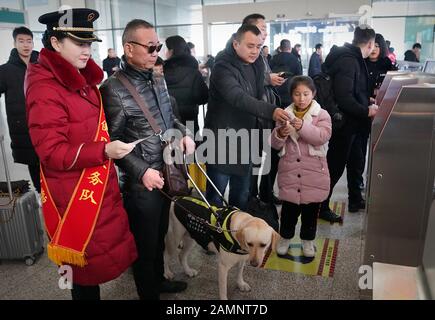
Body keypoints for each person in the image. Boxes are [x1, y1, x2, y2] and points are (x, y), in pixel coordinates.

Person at [25, 8, 137, 300]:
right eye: (78, 42)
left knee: (89, 272)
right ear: (55, 43)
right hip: (72, 197)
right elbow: (50, 151)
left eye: (89, 43)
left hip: (93, 186)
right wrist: (104, 149)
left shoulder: (81, 80)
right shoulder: (45, 88)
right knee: (79, 273)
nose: (87, 50)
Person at [99, 19, 195, 300]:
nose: (156, 51)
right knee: (143, 244)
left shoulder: (156, 77)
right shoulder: (113, 89)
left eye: (158, 46)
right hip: (141, 184)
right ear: (128, 48)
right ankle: (148, 292)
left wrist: (184, 133)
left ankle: (158, 280)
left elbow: (169, 116)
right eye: (150, 46)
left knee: (160, 235)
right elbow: (113, 145)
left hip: (165, 171)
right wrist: (141, 172)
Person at [204, 24, 290, 211]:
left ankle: (237, 234)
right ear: (236, 44)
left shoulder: (258, 64)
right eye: (250, 46)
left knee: (241, 194)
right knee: (216, 197)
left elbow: (258, 94)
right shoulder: (222, 67)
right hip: (221, 140)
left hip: (246, 138)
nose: (255, 51)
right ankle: (213, 237)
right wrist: (272, 111)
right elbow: (238, 97)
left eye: (258, 47)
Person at [319, 26, 377, 221]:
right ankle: (321, 206)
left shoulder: (350, 58)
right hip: (343, 125)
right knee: (334, 167)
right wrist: (365, 110)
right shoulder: (349, 61)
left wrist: (365, 100)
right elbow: (344, 97)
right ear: (370, 44)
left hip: (351, 124)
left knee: (355, 162)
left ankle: (353, 199)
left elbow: (352, 91)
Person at [271, 76, 332, 257]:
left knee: (310, 214)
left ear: (313, 94)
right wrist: (280, 133)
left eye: (306, 94)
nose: (302, 98)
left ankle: (308, 241)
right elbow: (275, 144)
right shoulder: (284, 114)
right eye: (297, 94)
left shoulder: (322, 115)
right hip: (289, 173)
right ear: (291, 95)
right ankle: (285, 238)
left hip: (313, 174)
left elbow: (321, 136)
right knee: (288, 212)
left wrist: (302, 126)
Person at [346, 33, 398, 206]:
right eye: (372, 45)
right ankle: (356, 192)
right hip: (361, 114)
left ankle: (376, 189)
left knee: (379, 154)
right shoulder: (360, 63)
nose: (374, 49)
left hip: (382, 115)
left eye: (378, 46)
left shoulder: (388, 65)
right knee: (357, 157)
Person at [240, 13, 285, 205]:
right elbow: (246, 83)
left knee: (267, 158)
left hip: (265, 115)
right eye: (262, 28)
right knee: (254, 161)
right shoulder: (243, 54)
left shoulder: (260, 53)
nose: (266, 32)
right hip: (254, 117)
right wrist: (268, 79)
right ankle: (252, 198)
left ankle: (264, 194)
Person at [0, 27, 40, 192]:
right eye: (21, 41)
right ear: (14, 43)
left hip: (47, 121)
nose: (26, 45)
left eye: (29, 41)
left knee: (51, 160)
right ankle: (40, 195)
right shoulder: (5, 71)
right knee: (33, 162)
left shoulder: (43, 65)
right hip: (23, 126)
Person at [164, 35, 208, 140]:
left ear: (171, 51)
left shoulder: (162, 71)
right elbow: (203, 97)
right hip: (190, 118)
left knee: (173, 152)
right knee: (190, 150)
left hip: (169, 119)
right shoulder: (193, 71)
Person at [270, 39, 303, 107]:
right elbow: (300, 78)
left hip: (275, 93)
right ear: (290, 48)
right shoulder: (295, 60)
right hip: (290, 93)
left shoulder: (273, 59)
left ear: (280, 48)